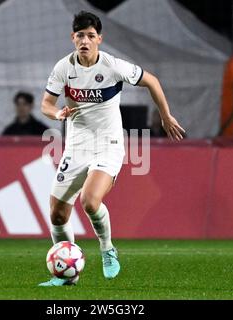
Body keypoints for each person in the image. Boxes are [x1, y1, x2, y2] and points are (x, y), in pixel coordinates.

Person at [39, 11, 185, 286]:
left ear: (99, 40)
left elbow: (151, 80)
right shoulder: (63, 68)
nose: (85, 40)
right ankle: (68, 275)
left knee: (90, 202)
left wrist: (165, 116)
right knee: (57, 213)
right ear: (73, 38)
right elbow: (46, 103)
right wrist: (56, 114)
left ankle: (107, 249)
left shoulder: (112, 66)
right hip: (77, 146)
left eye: (91, 36)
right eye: (80, 35)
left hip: (109, 145)